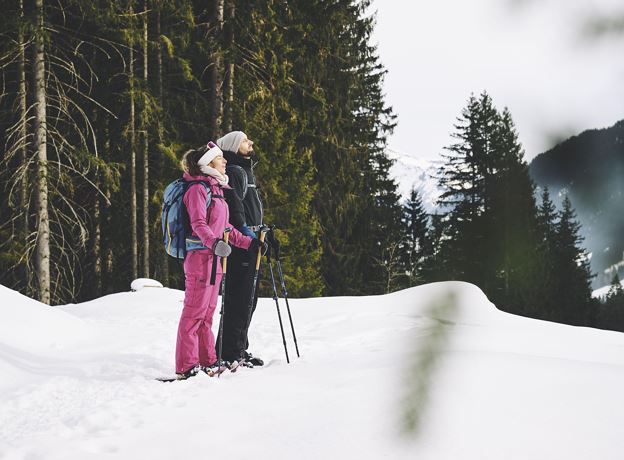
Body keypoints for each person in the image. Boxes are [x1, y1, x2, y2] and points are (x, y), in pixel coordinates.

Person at [175, 142, 263, 379]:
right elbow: (199, 225)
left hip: (216, 259)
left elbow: (226, 228)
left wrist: (249, 243)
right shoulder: (197, 189)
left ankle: (208, 361)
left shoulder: (216, 190)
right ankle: (186, 366)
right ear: (208, 163)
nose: (225, 161)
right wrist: (214, 244)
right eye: (220, 158)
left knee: (208, 313)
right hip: (200, 259)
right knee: (194, 313)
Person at [215, 131, 273, 368]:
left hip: (251, 239)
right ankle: (231, 351)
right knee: (241, 299)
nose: (251, 143)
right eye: (246, 141)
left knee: (249, 299)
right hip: (242, 243)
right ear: (234, 146)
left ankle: (237, 348)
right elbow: (235, 210)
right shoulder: (236, 172)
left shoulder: (243, 169)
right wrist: (249, 235)